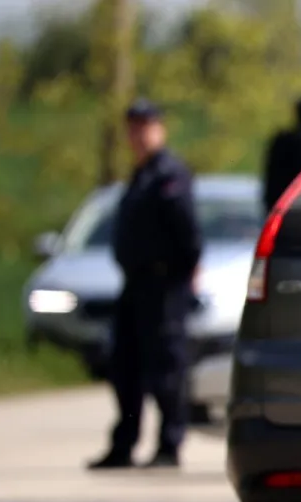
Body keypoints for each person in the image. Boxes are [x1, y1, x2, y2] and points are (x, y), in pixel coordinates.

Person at [87, 99, 202, 471]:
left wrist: (186, 271)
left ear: (159, 129)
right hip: (136, 284)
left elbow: (187, 231)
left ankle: (169, 444)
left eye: (145, 127)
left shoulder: (169, 173)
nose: (138, 135)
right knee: (125, 367)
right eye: (133, 128)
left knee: (165, 367)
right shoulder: (140, 174)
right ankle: (123, 444)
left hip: (163, 284)